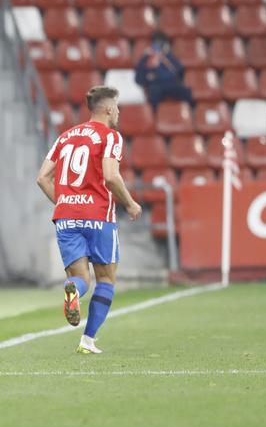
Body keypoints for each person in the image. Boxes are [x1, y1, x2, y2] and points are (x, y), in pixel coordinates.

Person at [36, 86, 142, 355]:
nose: (118, 112)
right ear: (107, 109)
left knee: (80, 278)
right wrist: (129, 203)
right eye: (116, 107)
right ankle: (88, 340)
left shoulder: (65, 136)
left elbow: (42, 178)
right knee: (105, 279)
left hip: (65, 217)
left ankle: (73, 289)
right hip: (98, 217)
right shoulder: (111, 137)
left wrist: (64, 202)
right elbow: (110, 176)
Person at [134, 33, 192, 107]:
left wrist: (155, 75)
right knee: (154, 94)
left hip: (172, 84)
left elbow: (179, 73)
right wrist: (148, 77)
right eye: (156, 44)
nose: (159, 47)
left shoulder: (169, 58)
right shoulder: (146, 59)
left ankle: (189, 114)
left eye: (161, 44)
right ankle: (154, 117)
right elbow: (138, 79)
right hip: (155, 86)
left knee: (186, 92)